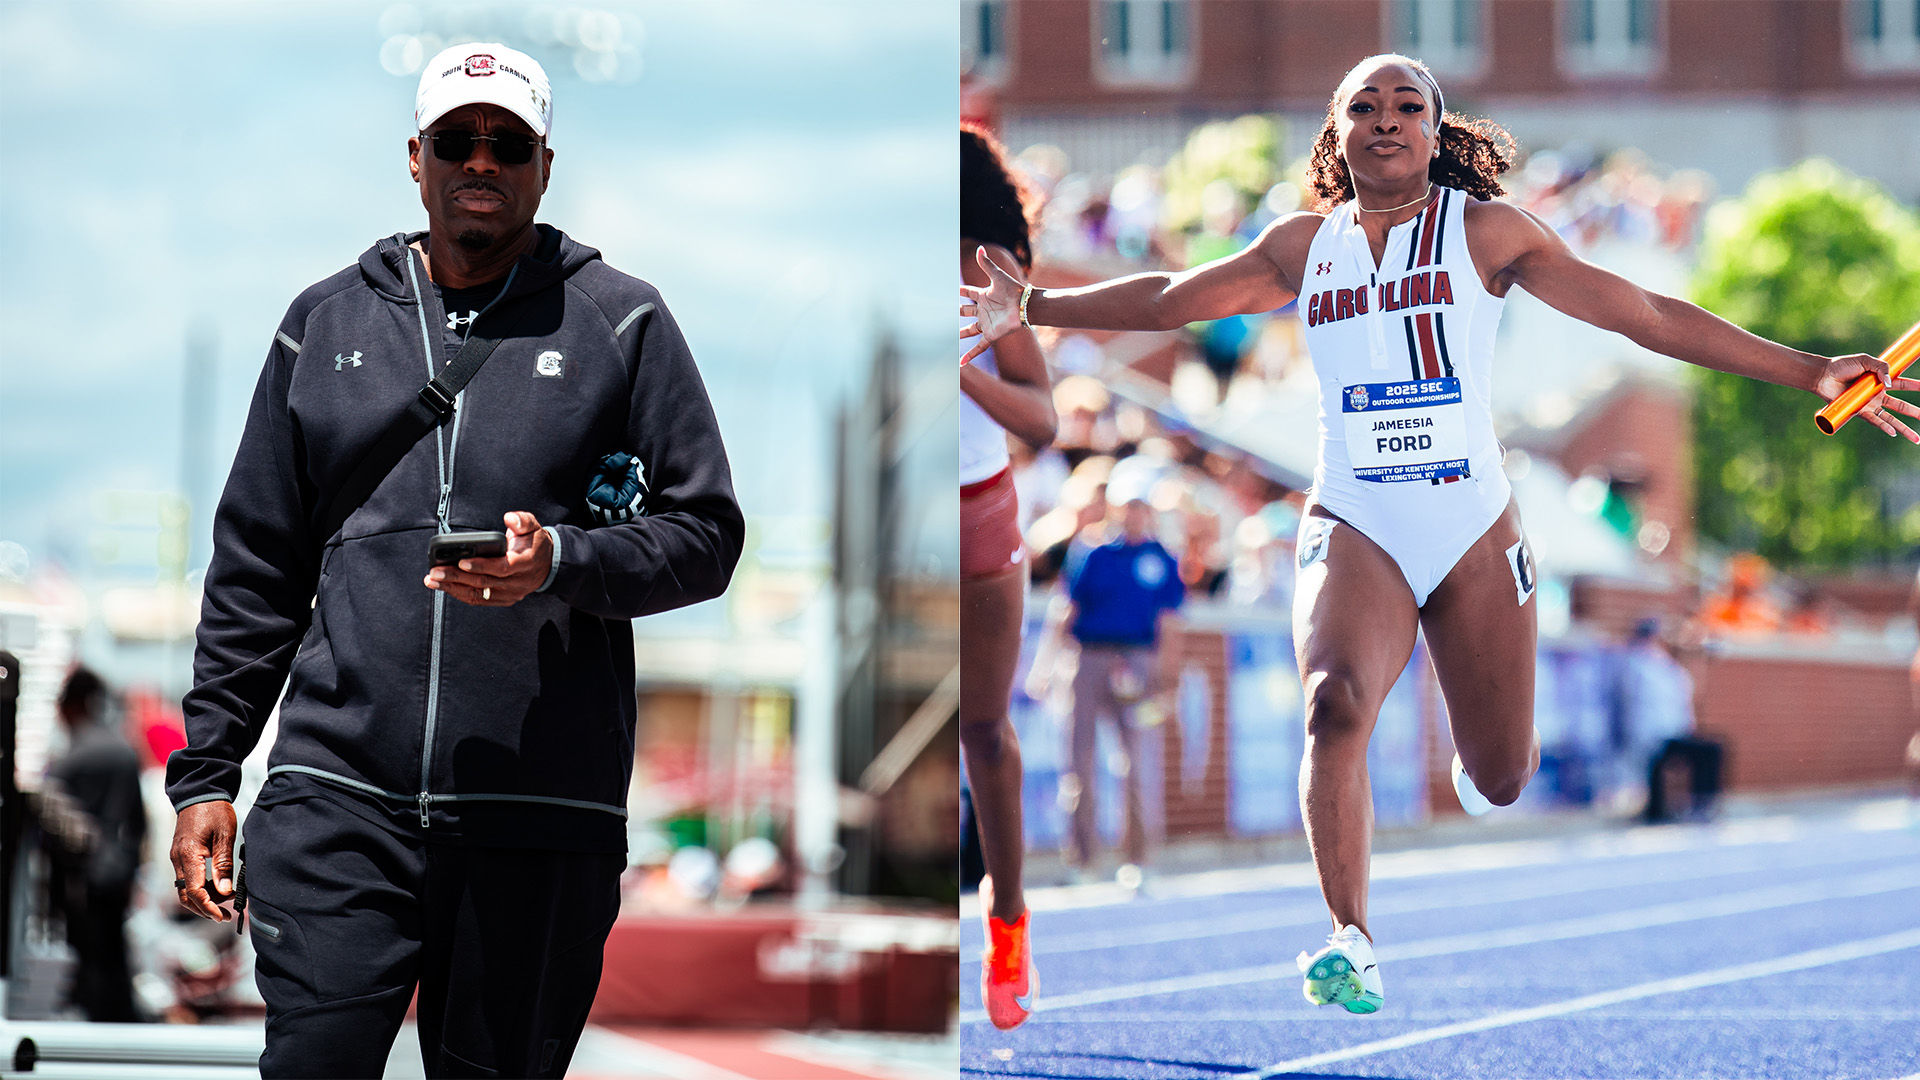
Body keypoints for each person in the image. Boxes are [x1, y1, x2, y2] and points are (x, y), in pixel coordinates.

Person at [963, 53, 1920, 1015]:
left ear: (1436, 126)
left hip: (1469, 520)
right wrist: (1036, 307)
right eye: (1363, 107)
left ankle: (1484, 748)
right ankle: (1350, 939)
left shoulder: (1489, 232)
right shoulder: (1305, 246)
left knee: (1504, 776)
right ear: (1335, 134)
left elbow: (1641, 313)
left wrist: (1806, 371)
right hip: (1355, 513)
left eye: (1407, 105)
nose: (1386, 119)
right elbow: (1173, 298)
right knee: (1333, 705)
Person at [164, 43, 742, 1076]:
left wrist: (563, 559)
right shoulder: (322, 322)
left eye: (508, 142)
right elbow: (255, 565)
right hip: (336, 795)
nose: (483, 159)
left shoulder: (624, 320)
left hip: (542, 809)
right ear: (417, 158)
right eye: (458, 139)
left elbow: (707, 535)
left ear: (544, 164)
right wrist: (207, 773)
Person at [959, 124, 1057, 1032]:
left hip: (978, 514)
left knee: (983, 732)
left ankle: (1008, 916)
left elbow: (1045, 420)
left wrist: (968, 374)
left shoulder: (985, 265)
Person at [1038, 459, 1184, 884]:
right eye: (1128, 504)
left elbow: (1169, 625)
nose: (1134, 512)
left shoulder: (1162, 558)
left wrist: (1166, 681)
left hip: (1138, 662)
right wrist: (1046, 666)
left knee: (1137, 764)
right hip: (1087, 659)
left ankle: (1138, 860)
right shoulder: (1093, 551)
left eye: (1141, 504)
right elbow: (1068, 608)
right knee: (1078, 762)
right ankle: (1081, 860)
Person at [46, 666, 146, 1022]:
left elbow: (50, 828)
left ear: (71, 705)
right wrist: (131, 867)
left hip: (80, 877)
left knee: (86, 961)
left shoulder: (72, 760)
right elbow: (138, 823)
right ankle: (122, 1023)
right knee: (115, 956)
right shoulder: (123, 749)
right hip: (117, 871)